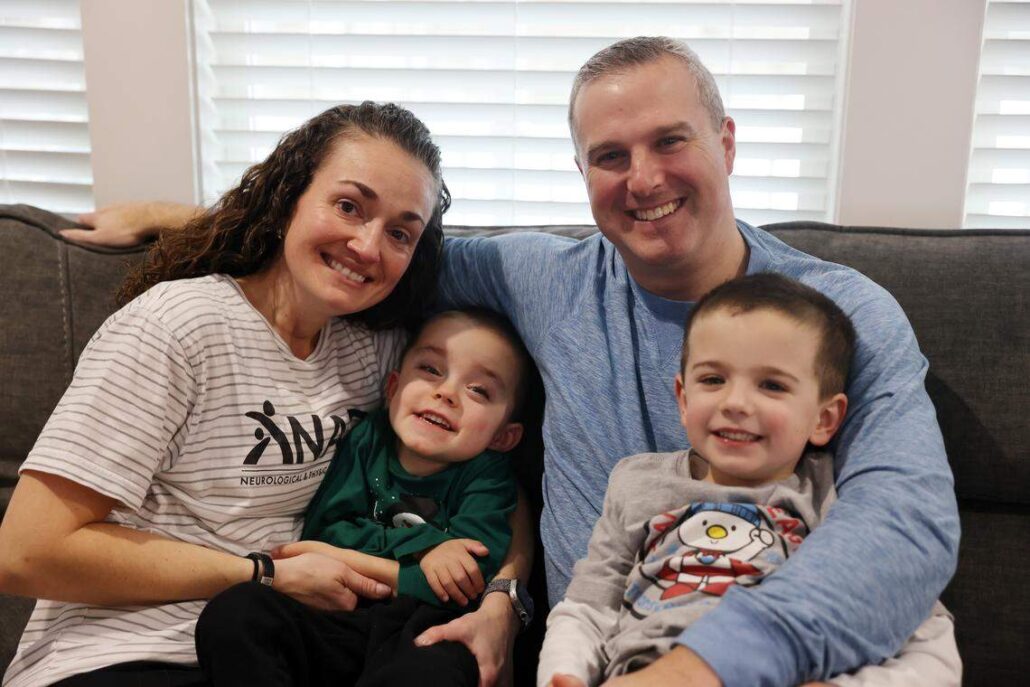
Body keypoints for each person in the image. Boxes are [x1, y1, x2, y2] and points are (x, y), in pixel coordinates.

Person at [61, 37, 960, 686]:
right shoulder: (547, 279)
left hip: (792, 651)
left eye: (670, 141)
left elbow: (906, 530)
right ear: (582, 176)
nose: (642, 177)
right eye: (610, 156)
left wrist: (710, 665)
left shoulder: (843, 312)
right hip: (598, 646)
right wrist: (186, 215)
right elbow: (367, 246)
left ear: (725, 142)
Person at [0, 101, 469, 687]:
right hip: (118, 652)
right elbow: (26, 552)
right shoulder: (177, 327)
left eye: (401, 232)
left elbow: (493, 467)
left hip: (276, 650)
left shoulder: (378, 352)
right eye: (349, 206)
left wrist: (506, 591)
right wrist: (259, 574)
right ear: (287, 198)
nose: (369, 247)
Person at [537, 273, 960, 687]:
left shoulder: (836, 496)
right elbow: (587, 605)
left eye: (772, 385)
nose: (735, 402)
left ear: (824, 418)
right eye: (713, 379)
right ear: (683, 399)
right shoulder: (636, 481)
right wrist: (567, 671)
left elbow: (926, 637)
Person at [194, 308, 530, 686]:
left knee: (438, 672)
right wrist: (425, 547)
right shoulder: (367, 440)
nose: (446, 393)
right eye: (431, 370)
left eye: (479, 390)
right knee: (238, 612)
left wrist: (344, 558)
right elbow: (326, 531)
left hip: (426, 632)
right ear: (392, 389)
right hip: (337, 612)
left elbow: (463, 581)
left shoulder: (487, 476)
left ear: (505, 436)